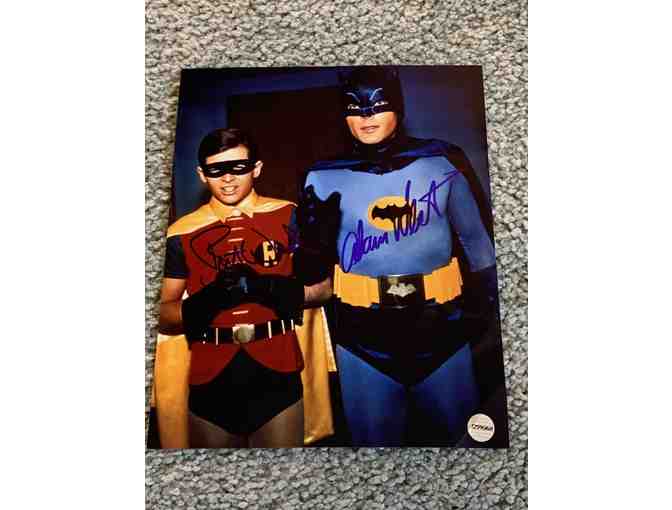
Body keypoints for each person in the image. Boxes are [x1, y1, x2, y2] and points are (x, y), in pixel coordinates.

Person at [299, 67, 498, 446]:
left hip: (443, 333)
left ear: (399, 107)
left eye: (378, 105)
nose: (366, 115)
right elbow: (310, 277)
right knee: (374, 459)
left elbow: (481, 250)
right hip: (362, 343)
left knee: (466, 452)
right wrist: (311, 245)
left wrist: (490, 324)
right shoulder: (321, 176)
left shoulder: (442, 161)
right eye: (354, 107)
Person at [154, 128, 333, 448]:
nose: (228, 178)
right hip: (211, 379)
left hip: (278, 372)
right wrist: (207, 302)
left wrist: (273, 289)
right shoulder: (181, 232)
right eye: (216, 170)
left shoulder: (289, 215)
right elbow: (162, 315)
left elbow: (324, 290)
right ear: (201, 174)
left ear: (256, 168)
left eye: (238, 167)